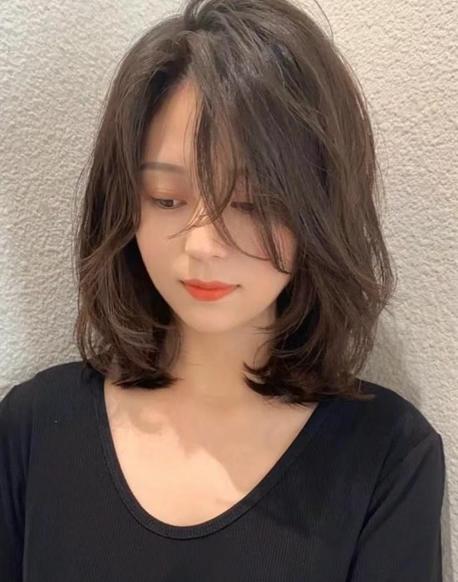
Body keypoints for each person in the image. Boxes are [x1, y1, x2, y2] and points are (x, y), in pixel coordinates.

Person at [0, 0, 445, 580]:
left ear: (319, 206)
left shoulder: (388, 458)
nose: (203, 244)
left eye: (252, 204)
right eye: (167, 199)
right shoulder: (33, 431)